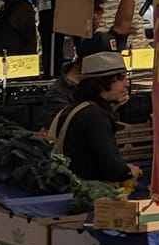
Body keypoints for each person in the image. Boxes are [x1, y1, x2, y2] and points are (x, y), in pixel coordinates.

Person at [49, 52, 141, 185]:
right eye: (121, 79)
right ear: (102, 83)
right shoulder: (94, 116)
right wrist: (129, 172)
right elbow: (114, 169)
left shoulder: (78, 108)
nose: (126, 84)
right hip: (85, 190)